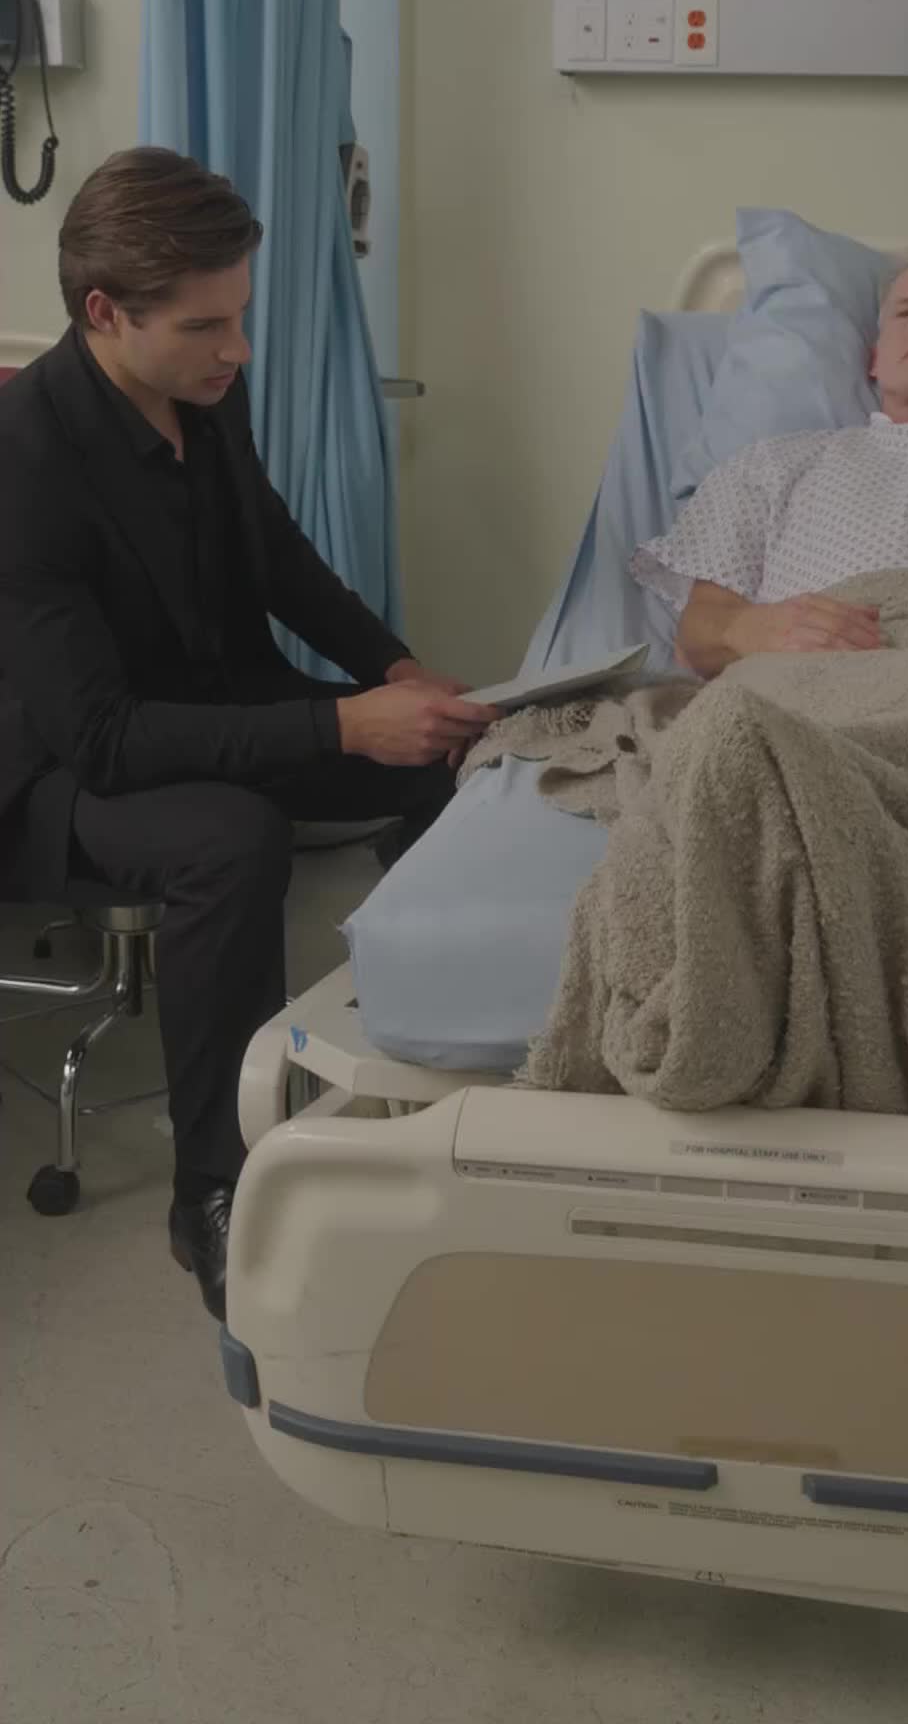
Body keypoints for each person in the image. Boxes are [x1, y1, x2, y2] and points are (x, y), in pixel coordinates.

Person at [0, 147, 496, 1320]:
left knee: (448, 759)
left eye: (241, 316)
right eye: (207, 325)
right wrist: (340, 723)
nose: (239, 350)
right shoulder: (24, 457)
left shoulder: (201, 392)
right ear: (105, 313)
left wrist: (394, 670)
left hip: (214, 705)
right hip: (70, 772)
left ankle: (432, 1076)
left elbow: (276, 555)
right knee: (230, 837)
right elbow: (106, 739)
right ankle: (215, 1191)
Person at [631, 232, 908, 676]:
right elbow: (697, 636)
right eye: (905, 312)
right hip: (811, 694)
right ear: (874, 359)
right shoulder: (771, 466)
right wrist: (756, 630)